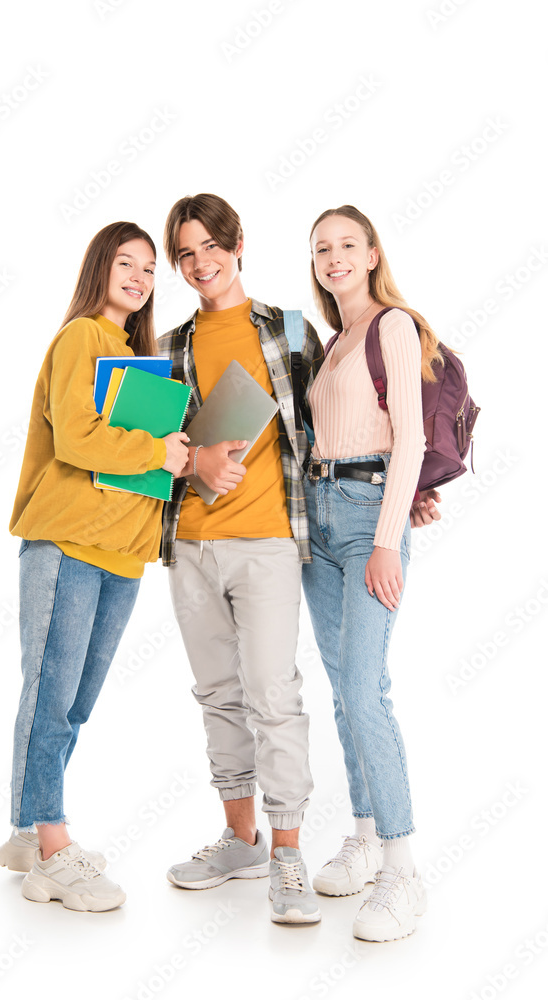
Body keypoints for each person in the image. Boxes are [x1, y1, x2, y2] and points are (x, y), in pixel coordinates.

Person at [0, 222, 189, 912]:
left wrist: (178, 455)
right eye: (126, 263)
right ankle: (52, 846)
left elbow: (142, 461)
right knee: (50, 696)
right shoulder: (82, 336)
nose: (138, 277)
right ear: (99, 269)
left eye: (148, 270)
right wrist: (157, 452)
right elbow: (76, 436)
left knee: (73, 705)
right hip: (67, 544)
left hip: (121, 555)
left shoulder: (141, 356)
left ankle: (29, 830)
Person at [158, 193, 325, 924]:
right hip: (190, 542)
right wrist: (193, 461)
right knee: (217, 694)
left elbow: (330, 424)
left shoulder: (288, 329)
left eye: (208, 248)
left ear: (237, 243)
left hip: (265, 543)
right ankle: (240, 839)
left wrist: (399, 490)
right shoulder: (167, 346)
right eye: (185, 254)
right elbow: (152, 454)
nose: (199, 264)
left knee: (272, 694)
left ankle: (288, 852)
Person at [301, 204, 437, 941]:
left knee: (363, 687)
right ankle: (360, 835)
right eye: (322, 248)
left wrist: (387, 537)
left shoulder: (391, 325)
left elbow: (409, 440)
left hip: (363, 518)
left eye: (347, 244)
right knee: (342, 688)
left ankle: (402, 868)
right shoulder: (332, 342)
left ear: (372, 251)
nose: (334, 257)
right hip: (318, 518)